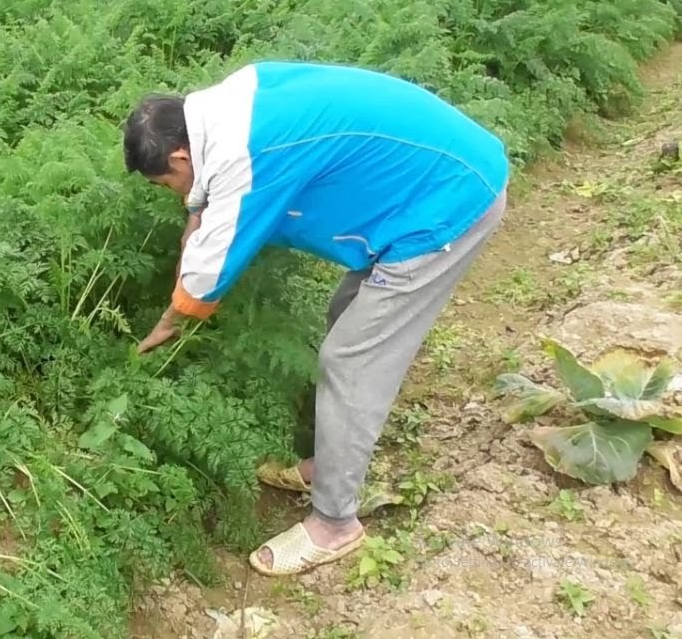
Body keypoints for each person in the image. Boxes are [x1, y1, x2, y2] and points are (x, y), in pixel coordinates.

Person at [122, 60, 509, 576]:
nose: (171, 194)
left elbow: (210, 269)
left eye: (164, 182)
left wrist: (169, 322)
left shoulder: (249, 154)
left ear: (178, 154)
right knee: (345, 314)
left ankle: (334, 524)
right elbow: (210, 198)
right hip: (431, 178)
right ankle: (331, 467)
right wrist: (196, 216)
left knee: (350, 359)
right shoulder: (229, 103)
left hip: (447, 202)